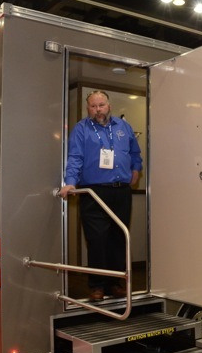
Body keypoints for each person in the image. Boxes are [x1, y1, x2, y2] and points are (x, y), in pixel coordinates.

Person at [60, 90, 142, 301]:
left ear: (109, 106)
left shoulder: (123, 127)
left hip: (120, 192)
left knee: (118, 238)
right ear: (88, 108)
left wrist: (136, 169)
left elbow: (135, 153)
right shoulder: (81, 129)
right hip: (94, 193)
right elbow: (75, 157)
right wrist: (70, 182)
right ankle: (97, 286)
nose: (98, 110)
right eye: (93, 106)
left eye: (101, 105)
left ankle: (115, 284)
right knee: (97, 240)